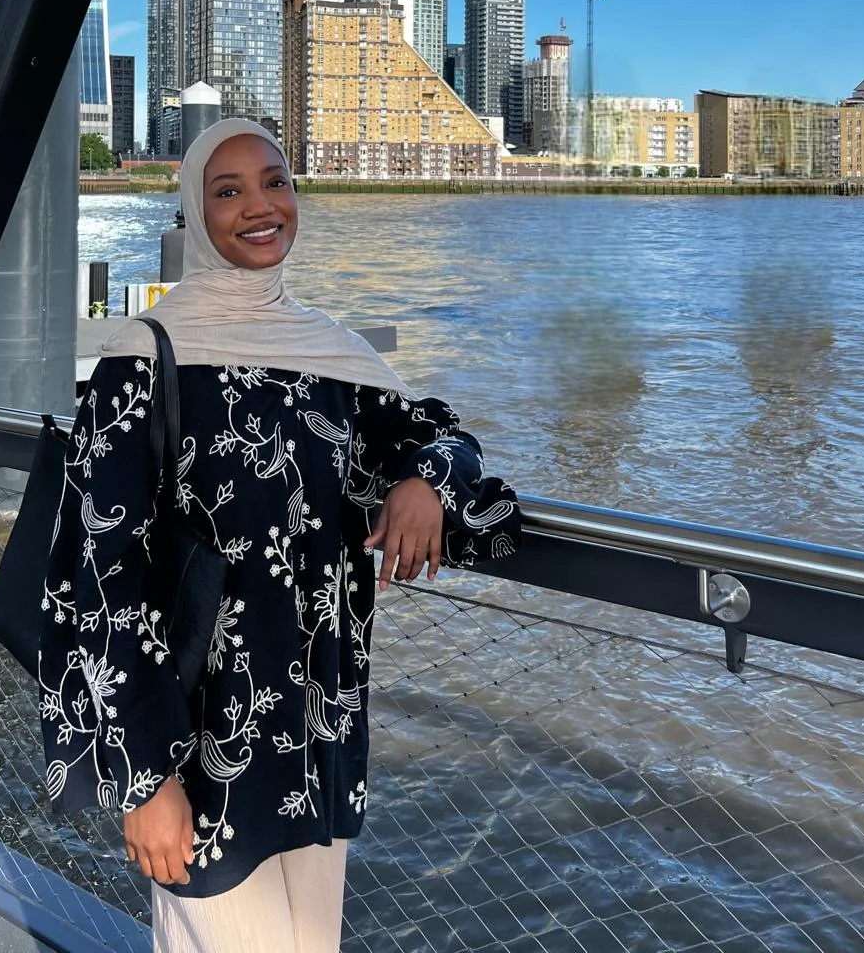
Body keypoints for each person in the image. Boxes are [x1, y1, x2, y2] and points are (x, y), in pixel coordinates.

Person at [39, 119, 519, 952]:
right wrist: (144, 780)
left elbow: (447, 439)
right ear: (195, 211)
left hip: (314, 730)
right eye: (228, 192)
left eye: (275, 181)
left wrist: (424, 483)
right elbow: (99, 573)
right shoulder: (144, 359)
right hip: (199, 744)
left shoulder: (331, 357)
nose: (260, 207)